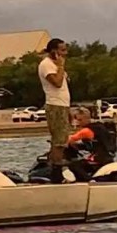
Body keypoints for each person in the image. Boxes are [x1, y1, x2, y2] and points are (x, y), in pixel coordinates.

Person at [38, 38, 73, 168]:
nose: (65, 53)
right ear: (54, 51)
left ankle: (56, 164)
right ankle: (56, 166)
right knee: (59, 140)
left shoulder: (56, 65)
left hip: (62, 104)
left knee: (63, 138)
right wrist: (61, 66)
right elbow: (57, 83)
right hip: (55, 105)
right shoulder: (46, 65)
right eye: (62, 50)